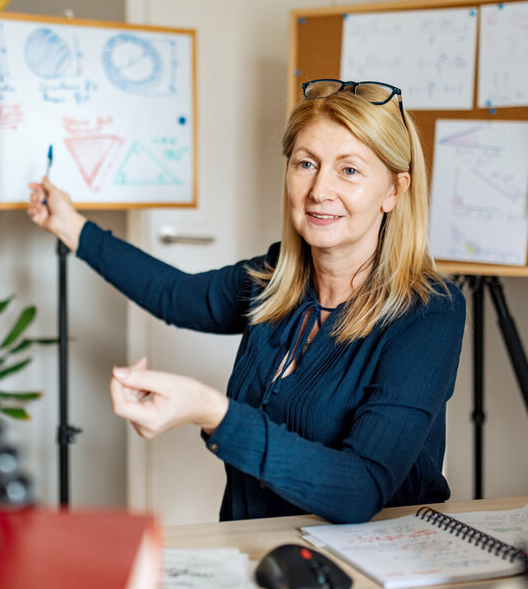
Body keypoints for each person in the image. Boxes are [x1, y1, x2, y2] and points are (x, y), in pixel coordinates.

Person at [27, 79, 466, 524]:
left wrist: (211, 411)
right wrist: (71, 227)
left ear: (394, 190)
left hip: (373, 567)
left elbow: (359, 489)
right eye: (306, 163)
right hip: (260, 550)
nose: (319, 190)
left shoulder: (429, 311)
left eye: (349, 170)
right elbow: (175, 296)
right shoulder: (275, 279)